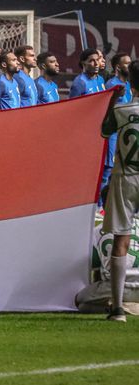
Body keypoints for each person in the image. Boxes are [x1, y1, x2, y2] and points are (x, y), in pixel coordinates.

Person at [102, 60, 139, 322]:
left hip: (125, 177)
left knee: (121, 238)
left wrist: (110, 102)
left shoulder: (122, 109)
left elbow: (104, 131)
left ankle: (117, 308)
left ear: (131, 82)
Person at [101, 52, 133, 206]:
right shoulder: (111, 84)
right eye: (126, 63)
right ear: (117, 67)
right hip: (113, 133)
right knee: (107, 170)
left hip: (125, 133)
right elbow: (105, 109)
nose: (130, 65)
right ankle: (100, 207)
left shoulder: (129, 84)